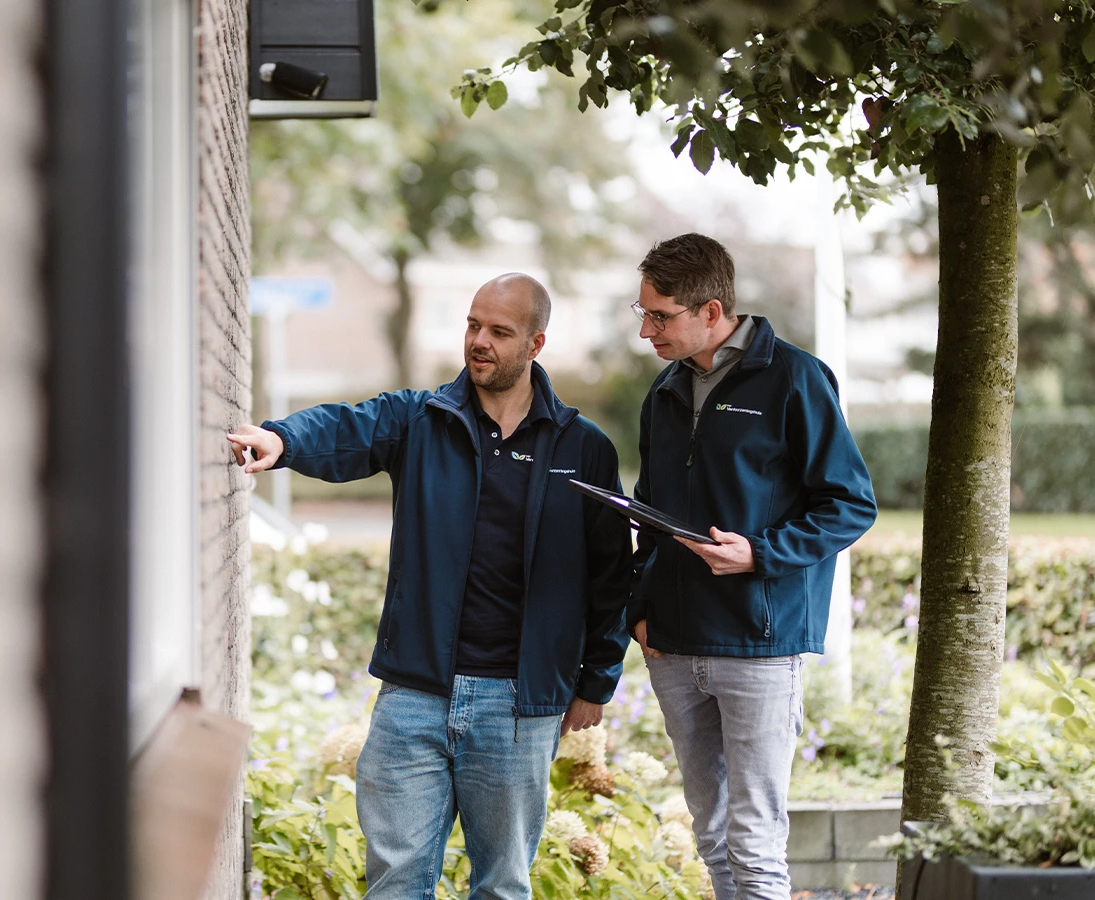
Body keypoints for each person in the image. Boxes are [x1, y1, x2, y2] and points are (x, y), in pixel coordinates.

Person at [227, 273, 632, 900]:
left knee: (501, 885)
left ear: (536, 343)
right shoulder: (421, 420)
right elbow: (347, 428)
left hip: (520, 706)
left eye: (499, 331)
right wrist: (281, 441)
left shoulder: (583, 448)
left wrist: (596, 681)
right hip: (415, 694)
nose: (479, 341)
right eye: (473, 325)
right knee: (395, 882)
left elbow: (610, 575)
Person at [626, 234, 877, 900]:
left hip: (760, 645)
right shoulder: (664, 391)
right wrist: (639, 613)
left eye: (661, 316)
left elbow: (850, 505)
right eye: (643, 313)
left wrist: (759, 555)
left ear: (712, 311)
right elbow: (651, 512)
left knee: (755, 840)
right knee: (710, 835)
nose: (647, 329)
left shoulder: (795, 378)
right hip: (673, 647)